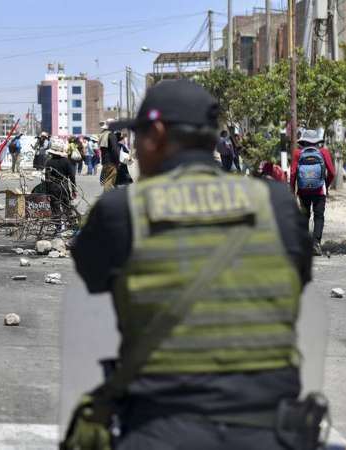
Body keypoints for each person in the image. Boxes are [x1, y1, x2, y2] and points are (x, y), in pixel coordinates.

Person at [66, 80, 316, 450]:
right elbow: (300, 276)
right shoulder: (275, 203)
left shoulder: (123, 210)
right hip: (272, 431)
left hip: (160, 429)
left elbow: (92, 275)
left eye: (138, 137)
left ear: (157, 134)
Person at [290, 129, 336, 256]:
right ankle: (316, 244)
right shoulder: (323, 152)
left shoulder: (297, 153)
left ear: (304, 141)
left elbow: (293, 174)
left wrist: (292, 190)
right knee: (319, 216)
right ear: (316, 141)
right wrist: (325, 184)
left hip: (303, 190)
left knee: (305, 216)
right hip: (319, 190)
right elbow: (332, 172)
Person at [44, 145, 76, 223]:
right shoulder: (66, 161)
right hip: (64, 186)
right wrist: (74, 189)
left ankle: (58, 226)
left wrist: (47, 192)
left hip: (53, 187)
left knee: (55, 207)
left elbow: (47, 178)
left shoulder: (49, 162)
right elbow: (72, 176)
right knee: (67, 206)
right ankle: (71, 224)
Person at [98, 118, 120, 191]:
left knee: (109, 181)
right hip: (111, 162)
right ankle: (108, 196)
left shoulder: (103, 134)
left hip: (105, 161)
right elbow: (115, 150)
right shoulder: (111, 135)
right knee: (109, 182)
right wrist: (118, 161)